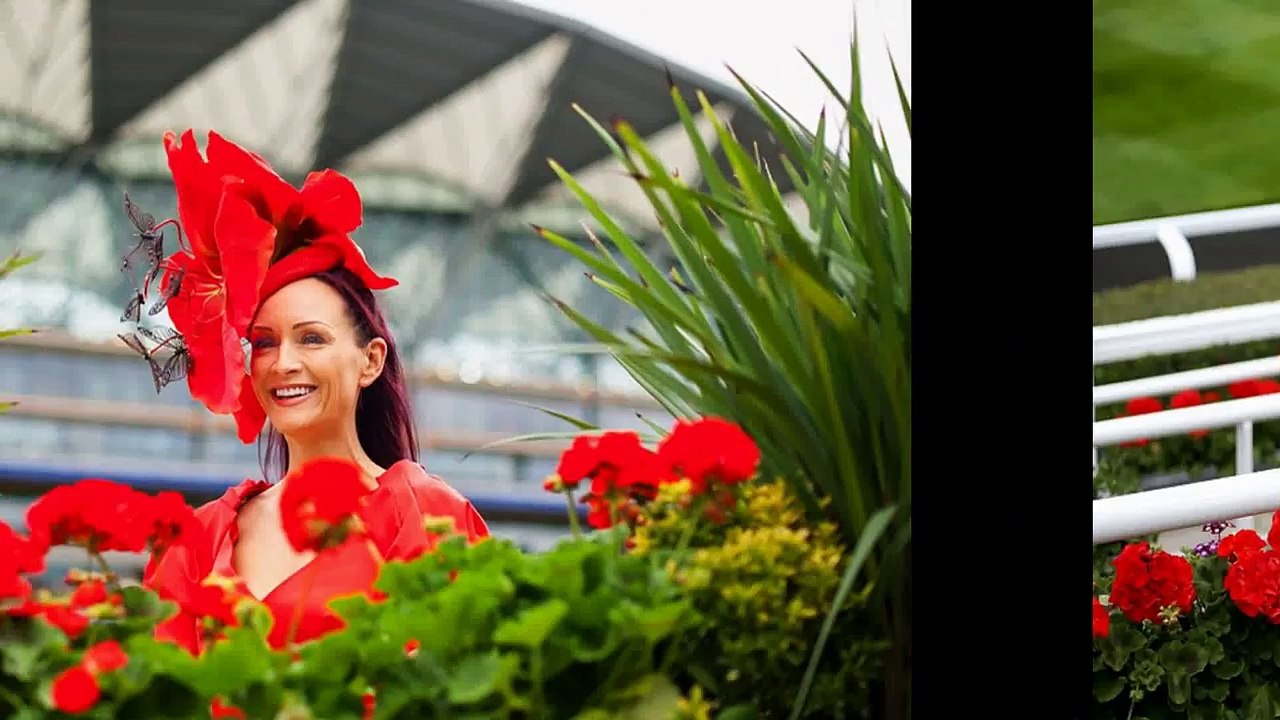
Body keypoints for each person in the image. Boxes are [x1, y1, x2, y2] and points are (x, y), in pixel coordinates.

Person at [127, 129, 489, 654]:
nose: (283, 363)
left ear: (371, 361)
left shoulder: (424, 513)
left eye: (312, 338)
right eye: (264, 342)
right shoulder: (199, 539)